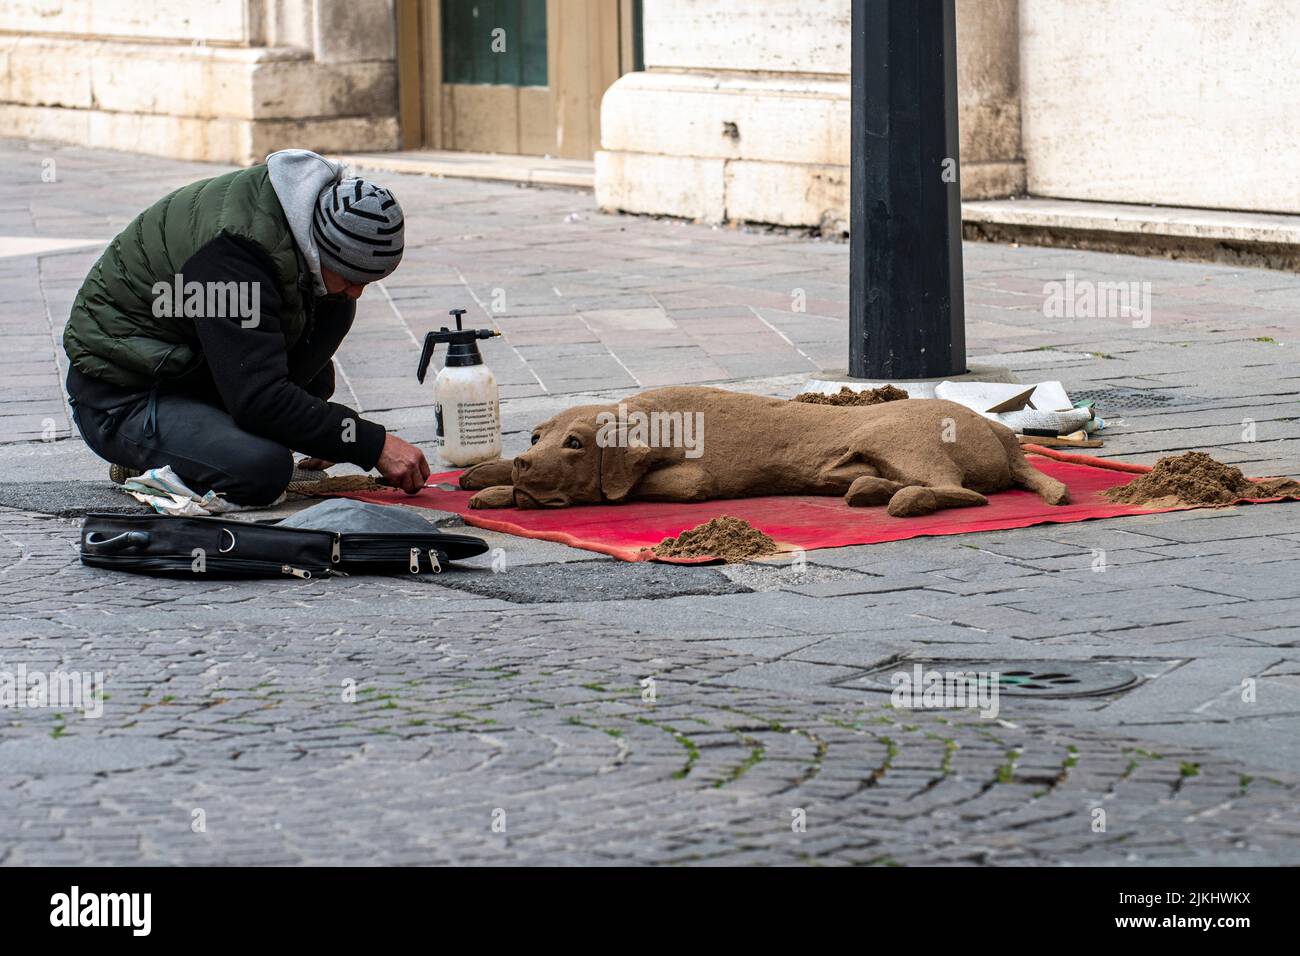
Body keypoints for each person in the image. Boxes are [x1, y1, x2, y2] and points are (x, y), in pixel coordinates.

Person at [62, 148, 430, 505]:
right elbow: (260, 398)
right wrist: (368, 443)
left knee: (334, 313)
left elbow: (272, 372)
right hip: (121, 395)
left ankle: (210, 443)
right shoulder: (234, 257)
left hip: (187, 370)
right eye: (351, 276)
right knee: (262, 470)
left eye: (369, 280)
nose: (359, 291)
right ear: (319, 249)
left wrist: (327, 435)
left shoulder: (297, 220)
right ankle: (147, 456)